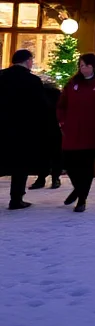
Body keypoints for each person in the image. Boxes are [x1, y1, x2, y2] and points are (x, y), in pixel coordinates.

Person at [58, 53, 95, 213]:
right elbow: (61, 105)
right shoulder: (73, 83)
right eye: (81, 66)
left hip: (92, 132)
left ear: (93, 66)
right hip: (72, 132)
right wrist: (62, 122)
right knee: (69, 163)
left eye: (86, 66)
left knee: (86, 165)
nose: (83, 69)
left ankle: (81, 198)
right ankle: (78, 189)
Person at [0, 49, 48, 210]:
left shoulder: (1, 76)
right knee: (20, 165)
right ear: (27, 61)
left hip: (2, 127)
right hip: (24, 129)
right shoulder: (32, 81)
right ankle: (16, 199)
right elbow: (41, 106)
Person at [30, 76, 63, 190]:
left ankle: (41, 178)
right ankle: (55, 178)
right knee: (55, 154)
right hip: (54, 127)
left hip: (41, 127)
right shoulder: (57, 95)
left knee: (42, 154)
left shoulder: (38, 94)